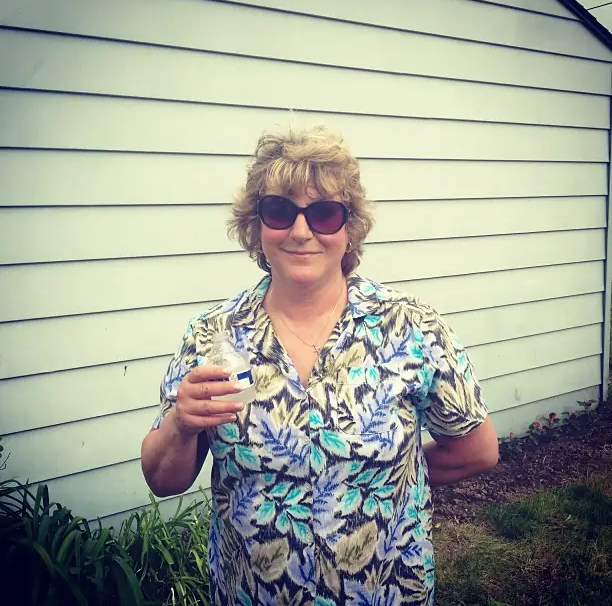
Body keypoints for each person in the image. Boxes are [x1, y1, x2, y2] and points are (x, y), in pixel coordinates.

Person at [141, 126, 499, 605]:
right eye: (280, 211)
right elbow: (164, 479)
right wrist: (182, 426)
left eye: (325, 213)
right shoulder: (214, 336)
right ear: (257, 224)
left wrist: (387, 482)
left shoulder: (411, 326)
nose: (302, 231)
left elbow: (477, 450)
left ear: (350, 227)